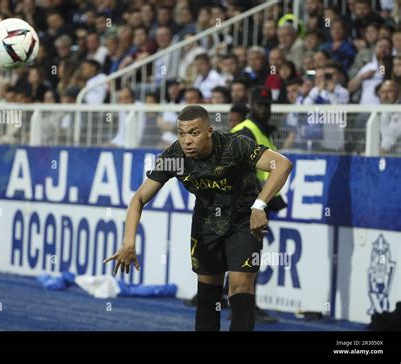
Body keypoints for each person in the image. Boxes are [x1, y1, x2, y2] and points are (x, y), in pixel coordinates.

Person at [104, 105, 293, 331]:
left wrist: (260, 205)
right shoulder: (174, 157)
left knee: (241, 290)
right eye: (181, 134)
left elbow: (282, 164)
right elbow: (138, 199)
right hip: (206, 225)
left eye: (194, 133)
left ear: (209, 132)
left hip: (243, 222)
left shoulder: (234, 146)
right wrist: (128, 242)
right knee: (208, 296)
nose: (187, 141)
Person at [230, 86, 289, 322]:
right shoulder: (246, 130)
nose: (264, 109)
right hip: (250, 205)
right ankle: (244, 309)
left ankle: (238, 305)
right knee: (247, 261)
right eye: (260, 104)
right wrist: (260, 201)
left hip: (258, 203)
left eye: (267, 105)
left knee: (246, 260)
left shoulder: (263, 131)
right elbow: (242, 171)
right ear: (251, 104)